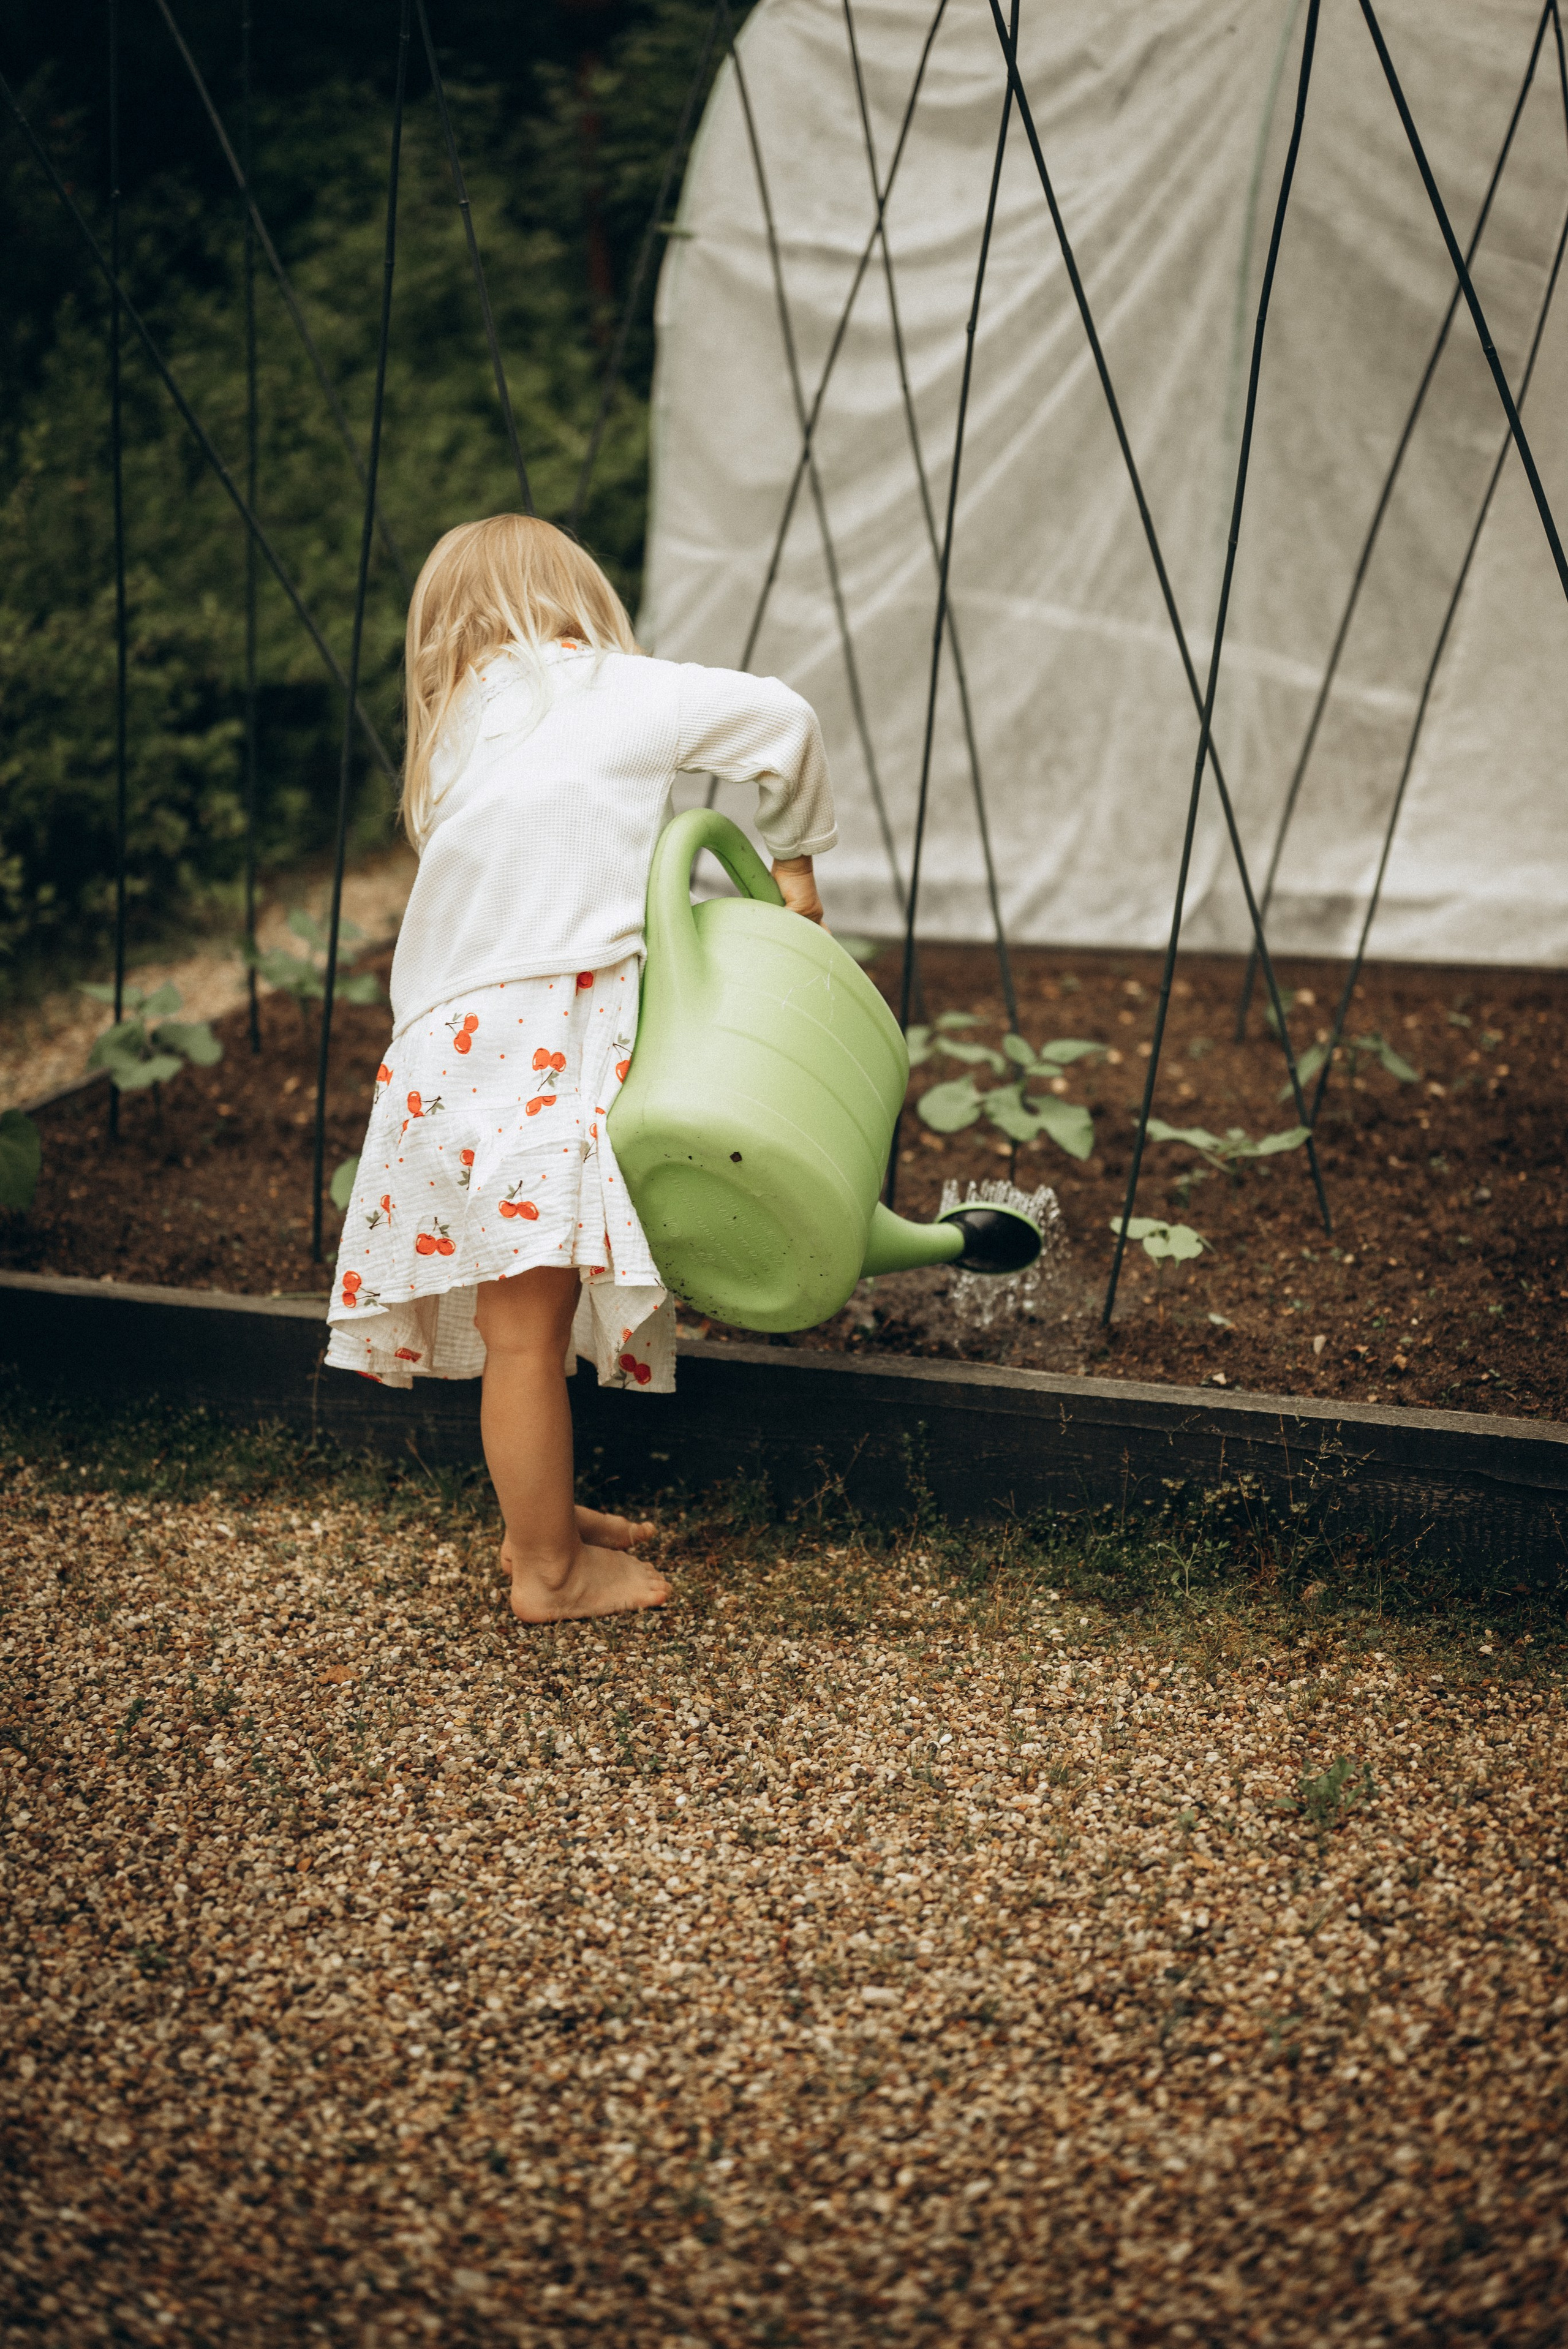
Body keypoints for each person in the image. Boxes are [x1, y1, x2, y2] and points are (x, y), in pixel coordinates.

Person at [325, 515, 835, 1622]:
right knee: (526, 1333)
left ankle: (539, 1524)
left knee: (529, 1323)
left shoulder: (461, 721)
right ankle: (550, 1574)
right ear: (578, 599)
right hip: (537, 1048)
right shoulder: (605, 684)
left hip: (439, 1061)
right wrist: (793, 870)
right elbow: (783, 722)